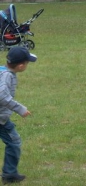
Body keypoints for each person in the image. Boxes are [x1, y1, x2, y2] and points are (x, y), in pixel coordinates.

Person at [0, 47, 37, 184]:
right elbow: (2, 95)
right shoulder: (7, 76)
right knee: (14, 142)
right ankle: (9, 174)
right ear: (21, 65)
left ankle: (9, 173)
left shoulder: (1, 70)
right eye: (27, 63)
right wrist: (20, 109)